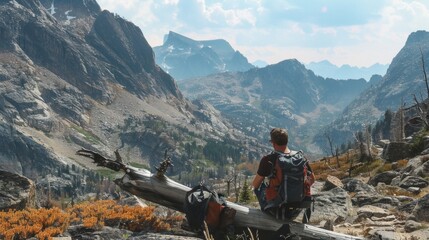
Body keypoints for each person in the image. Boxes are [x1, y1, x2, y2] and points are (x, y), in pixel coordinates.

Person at [252, 128, 315, 222]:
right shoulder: (300, 157)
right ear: (287, 141)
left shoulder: (269, 159)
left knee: (259, 186)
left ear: (272, 142)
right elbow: (312, 179)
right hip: (297, 206)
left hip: (275, 208)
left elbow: (255, 184)